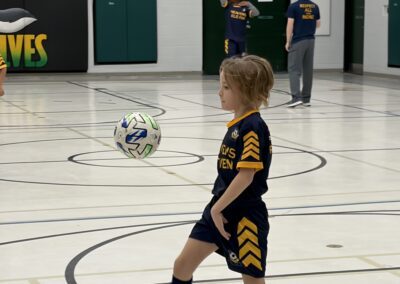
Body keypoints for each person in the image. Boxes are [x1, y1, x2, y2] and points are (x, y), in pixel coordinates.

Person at [171, 55, 274, 284]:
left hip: (245, 217)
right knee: (182, 265)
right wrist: (216, 210)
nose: (220, 92)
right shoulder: (238, 124)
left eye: (226, 87)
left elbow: (246, 176)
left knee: (253, 281)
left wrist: (217, 210)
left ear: (246, 91)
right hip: (219, 208)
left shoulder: (253, 127)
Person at [285, 0, 320, 107]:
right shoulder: (315, 6)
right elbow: (318, 24)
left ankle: (296, 98)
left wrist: (288, 41)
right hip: (311, 40)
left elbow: (290, 24)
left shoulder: (294, 6)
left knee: (294, 69)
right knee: (308, 70)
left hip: (298, 40)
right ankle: (306, 98)